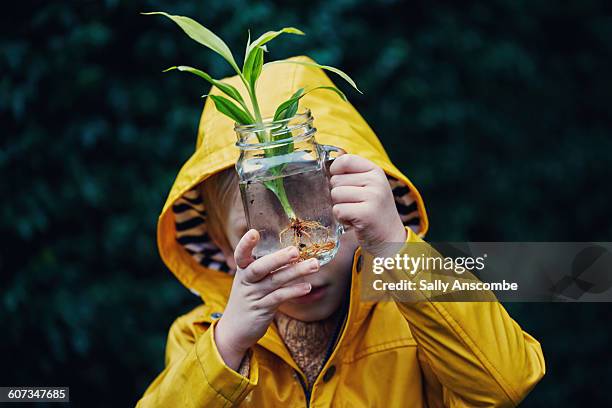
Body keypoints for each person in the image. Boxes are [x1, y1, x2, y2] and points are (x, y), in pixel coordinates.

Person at [137, 56, 545, 407]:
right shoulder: (200, 336)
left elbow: (504, 385)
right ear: (222, 248)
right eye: (263, 231)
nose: (303, 257)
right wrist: (226, 348)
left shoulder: (416, 321)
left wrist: (393, 248)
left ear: (367, 213)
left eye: (325, 221)